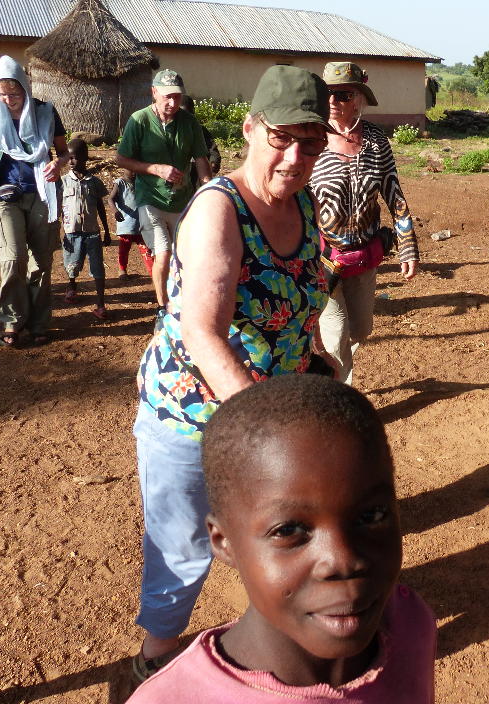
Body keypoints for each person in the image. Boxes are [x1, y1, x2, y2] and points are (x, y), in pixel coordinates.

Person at [131, 65, 337, 683]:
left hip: (268, 414)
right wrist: (266, 433)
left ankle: (276, 656)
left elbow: (297, 302)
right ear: (249, 128)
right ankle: (152, 667)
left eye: (311, 143)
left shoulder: (304, 204)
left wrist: (314, 360)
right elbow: (202, 332)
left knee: (278, 538)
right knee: (182, 549)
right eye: (282, 138)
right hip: (193, 417)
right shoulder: (219, 210)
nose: (295, 157)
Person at [127, 374, 436, 702]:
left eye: (371, 516)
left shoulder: (410, 624)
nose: (342, 560)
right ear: (223, 541)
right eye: (288, 530)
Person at [309, 61, 420, 384]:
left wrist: (408, 247)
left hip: (365, 255)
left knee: (361, 329)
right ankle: (338, 395)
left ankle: (332, 374)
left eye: (343, 94)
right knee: (336, 333)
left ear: (359, 99)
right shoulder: (311, 137)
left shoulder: (375, 140)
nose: (333, 101)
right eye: (328, 93)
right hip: (323, 257)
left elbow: (394, 195)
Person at [0, 55, 69, 348]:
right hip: (5, 195)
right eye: (3, 94)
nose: (9, 100)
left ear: (25, 88)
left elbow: (64, 151)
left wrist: (58, 163)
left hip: (41, 193)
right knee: (12, 259)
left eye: (14, 94)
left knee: (41, 263)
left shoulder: (45, 112)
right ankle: (11, 319)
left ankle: (38, 322)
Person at [116, 69, 212, 328]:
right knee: (164, 252)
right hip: (150, 198)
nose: (172, 102)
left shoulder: (189, 123)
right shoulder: (139, 120)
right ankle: (162, 306)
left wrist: (209, 189)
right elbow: (121, 159)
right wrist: (154, 168)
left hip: (182, 200)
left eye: (177, 97)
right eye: (167, 96)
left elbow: (201, 159)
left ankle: (187, 303)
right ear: (154, 92)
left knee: (187, 255)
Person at [61, 138, 111, 320]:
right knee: (71, 265)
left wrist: (106, 231)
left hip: (92, 233)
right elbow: (58, 207)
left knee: (97, 268)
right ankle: (72, 285)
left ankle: (100, 303)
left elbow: (100, 207)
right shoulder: (63, 182)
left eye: (74, 157)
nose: (71, 161)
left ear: (85, 158)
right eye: (68, 158)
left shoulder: (95, 182)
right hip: (71, 232)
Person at [110, 166, 155, 278]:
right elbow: (110, 199)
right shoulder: (120, 183)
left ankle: (153, 272)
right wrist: (115, 211)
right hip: (126, 223)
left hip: (141, 223)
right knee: (124, 249)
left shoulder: (140, 183)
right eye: (131, 169)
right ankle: (122, 270)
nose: (134, 172)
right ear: (124, 168)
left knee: (146, 250)